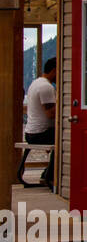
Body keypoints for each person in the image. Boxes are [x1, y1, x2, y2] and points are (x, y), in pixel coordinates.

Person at [19, 57, 57, 188]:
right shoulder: (46, 87)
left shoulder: (35, 83)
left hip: (31, 132)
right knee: (67, 139)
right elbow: (51, 114)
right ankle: (49, 176)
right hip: (41, 133)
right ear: (54, 70)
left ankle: (47, 174)